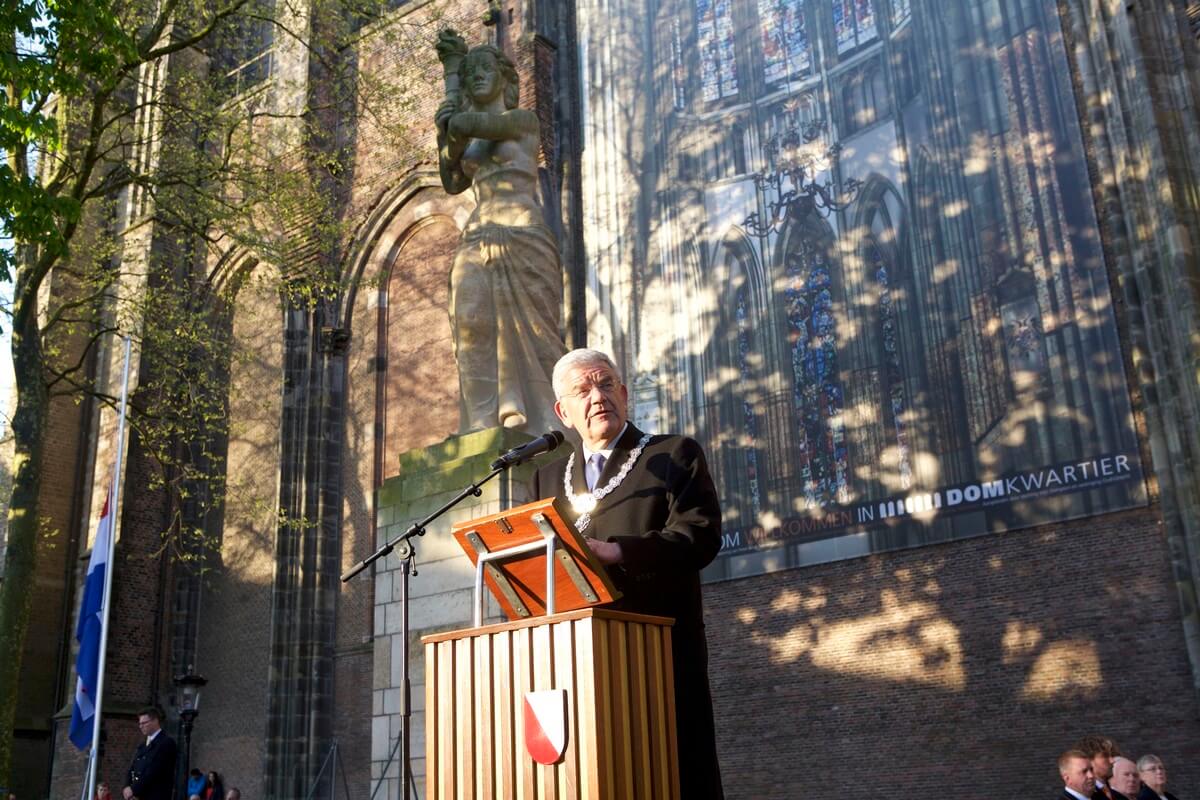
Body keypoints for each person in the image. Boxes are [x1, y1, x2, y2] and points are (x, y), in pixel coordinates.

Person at [530, 348, 724, 800]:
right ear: (564, 411)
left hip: (657, 653)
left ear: (623, 392)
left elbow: (700, 537)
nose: (597, 397)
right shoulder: (544, 480)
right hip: (574, 664)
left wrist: (618, 552)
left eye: (605, 384)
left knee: (666, 777)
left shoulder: (673, 454)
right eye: (583, 390)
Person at [434, 29, 564, 435]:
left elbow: (463, 124)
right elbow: (451, 180)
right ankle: (478, 423)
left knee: (538, 336)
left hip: (522, 230)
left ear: (505, 79)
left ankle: (542, 418)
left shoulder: (520, 121)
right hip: (478, 230)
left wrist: (451, 77)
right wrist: (447, 132)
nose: (477, 76)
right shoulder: (471, 133)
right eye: (471, 71)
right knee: (470, 321)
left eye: (485, 69)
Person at [122, 706, 177, 800]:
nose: (141, 726)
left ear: (155, 721)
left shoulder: (166, 743)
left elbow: (153, 771)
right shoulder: (142, 746)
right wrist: (127, 787)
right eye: (140, 723)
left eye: (144, 723)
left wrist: (134, 789)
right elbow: (132, 768)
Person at [1077, 735, 1129, 800]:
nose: (1112, 761)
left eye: (1112, 755)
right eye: (1105, 756)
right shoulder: (1082, 796)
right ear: (1088, 760)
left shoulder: (1119, 797)